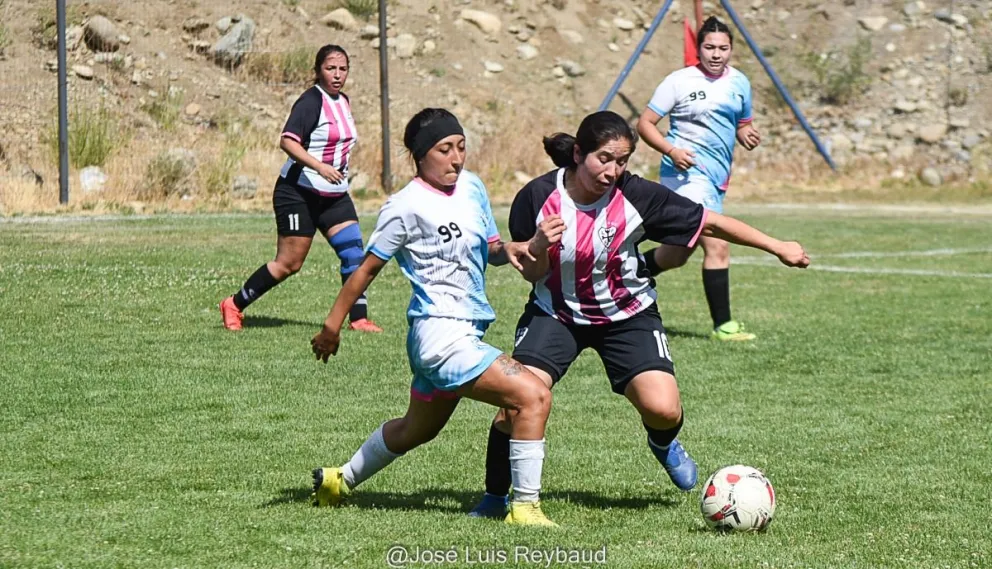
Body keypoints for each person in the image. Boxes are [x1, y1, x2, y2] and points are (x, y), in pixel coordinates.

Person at [467, 111, 808, 518]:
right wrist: (539, 244)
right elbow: (533, 272)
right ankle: (494, 497)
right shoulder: (537, 197)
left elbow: (710, 224)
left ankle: (662, 443)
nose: (613, 171)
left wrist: (777, 246)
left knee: (663, 409)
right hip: (555, 313)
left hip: (628, 315)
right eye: (604, 159)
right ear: (578, 154)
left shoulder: (638, 195)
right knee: (516, 402)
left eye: (623, 160)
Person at [309, 108, 563, 527]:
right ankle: (525, 508)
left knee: (416, 430)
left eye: (461, 147)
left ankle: (339, 480)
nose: (456, 158)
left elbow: (492, 248)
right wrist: (333, 325)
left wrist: (520, 247)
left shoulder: (472, 187)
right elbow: (367, 269)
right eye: (445, 150)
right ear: (419, 155)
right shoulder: (405, 206)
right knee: (532, 395)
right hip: (440, 338)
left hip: (462, 332)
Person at [219, 45, 381, 333]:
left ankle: (358, 319)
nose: (337, 74)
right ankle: (234, 303)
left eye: (343, 69)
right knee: (289, 264)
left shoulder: (343, 101)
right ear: (318, 70)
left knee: (354, 253)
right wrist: (320, 167)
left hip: (334, 196)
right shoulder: (310, 102)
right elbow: (288, 141)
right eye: (331, 68)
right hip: (298, 192)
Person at [635, 16, 764, 341]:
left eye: (723, 48)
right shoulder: (679, 81)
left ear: (731, 50)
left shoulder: (739, 83)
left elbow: (743, 122)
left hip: (716, 178)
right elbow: (646, 123)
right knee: (718, 243)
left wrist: (746, 132)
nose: (716, 54)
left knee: (676, 254)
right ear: (699, 48)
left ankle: (620, 273)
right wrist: (671, 149)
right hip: (685, 176)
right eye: (709, 47)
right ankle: (724, 326)